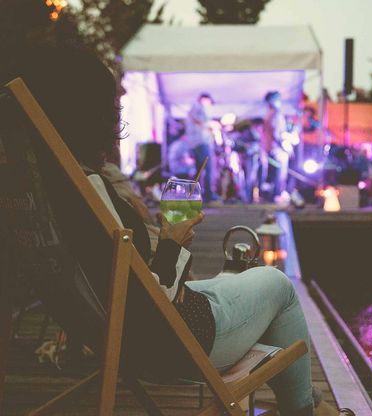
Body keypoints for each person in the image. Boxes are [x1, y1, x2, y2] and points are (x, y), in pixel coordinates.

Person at [13, 45, 354, 416]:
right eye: (112, 111)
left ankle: (312, 407)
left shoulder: (50, 192)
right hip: (168, 342)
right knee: (278, 286)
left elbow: (126, 284)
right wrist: (173, 243)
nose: (116, 124)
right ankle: (305, 410)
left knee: (250, 289)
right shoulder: (87, 188)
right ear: (87, 116)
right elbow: (148, 295)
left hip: (126, 328)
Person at [185, 93, 220, 203]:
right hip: (201, 142)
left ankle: (195, 194)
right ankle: (208, 194)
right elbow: (199, 121)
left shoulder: (195, 108)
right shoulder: (197, 107)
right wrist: (211, 125)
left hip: (196, 143)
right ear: (204, 99)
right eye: (209, 102)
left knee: (200, 169)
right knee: (209, 168)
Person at [261, 91, 291, 203]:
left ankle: (272, 195)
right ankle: (276, 195)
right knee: (279, 174)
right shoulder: (276, 114)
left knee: (273, 173)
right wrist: (285, 146)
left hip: (271, 148)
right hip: (277, 149)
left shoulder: (269, 114)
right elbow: (277, 133)